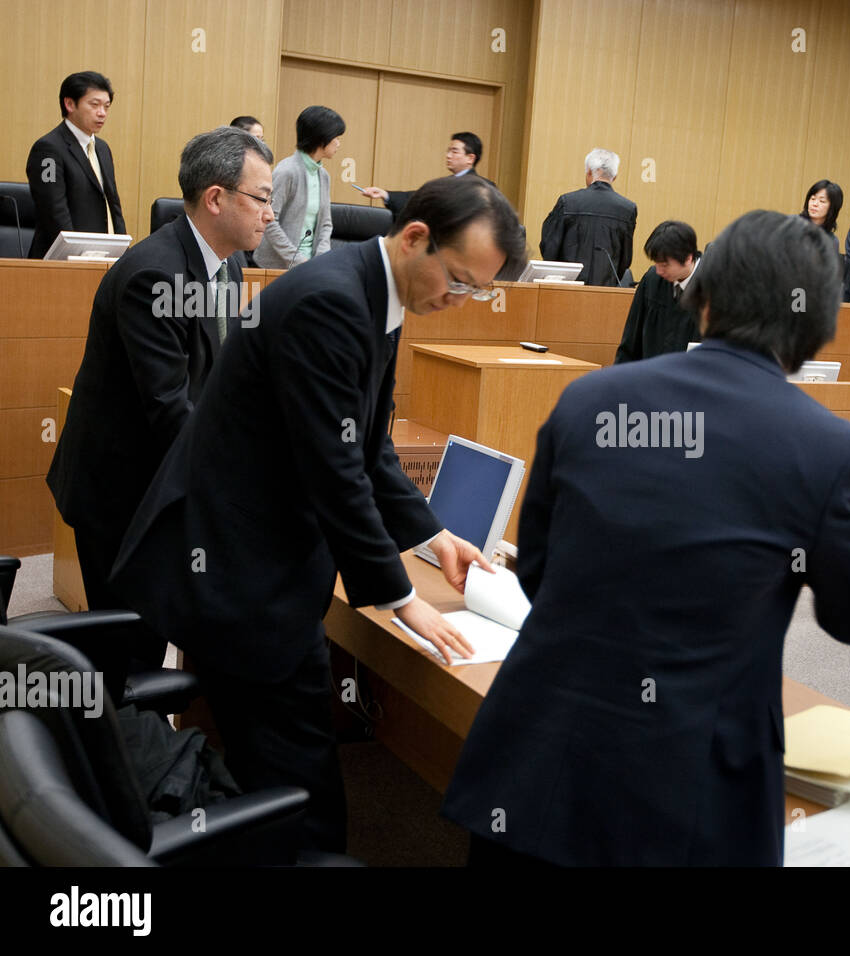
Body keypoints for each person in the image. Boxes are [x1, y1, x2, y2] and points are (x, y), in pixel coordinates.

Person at [442, 210, 850, 866]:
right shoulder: (831, 449)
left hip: (535, 767)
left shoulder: (589, 399)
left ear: (704, 298)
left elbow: (539, 570)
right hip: (686, 799)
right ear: (820, 322)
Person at [110, 176, 526, 853]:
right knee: (299, 785)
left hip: (253, 556)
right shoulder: (331, 303)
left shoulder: (375, 293)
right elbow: (333, 473)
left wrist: (432, 532)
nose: (460, 301)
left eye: (477, 290)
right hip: (240, 576)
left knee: (280, 759)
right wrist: (397, 597)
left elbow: (366, 445)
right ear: (415, 237)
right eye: (458, 280)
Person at [46, 126, 272, 659]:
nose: (270, 213)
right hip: (122, 493)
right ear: (216, 198)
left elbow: (223, 372)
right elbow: (171, 409)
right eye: (262, 198)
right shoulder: (155, 274)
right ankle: (111, 739)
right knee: (125, 654)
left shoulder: (230, 264)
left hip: (163, 481)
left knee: (160, 630)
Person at [26, 71, 127, 259]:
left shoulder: (102, 149)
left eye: (106, 106)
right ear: (70, 104)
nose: (102, 113)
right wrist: (75, 256)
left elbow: (113, 205)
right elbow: (53, 210)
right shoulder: (47, 150)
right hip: (63, 261)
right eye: (94, 105)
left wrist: (123, 255)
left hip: (101, 257)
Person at [254, 105, 344, 269]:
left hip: (310, 267)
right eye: (336, 137)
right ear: (322, 138)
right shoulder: (287, 171)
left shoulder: (323, 175)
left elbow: (326, 224)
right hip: (277, 267)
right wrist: (298, 260)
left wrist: (320, 259)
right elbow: (269, 221)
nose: (339, 143)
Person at [539, 148, 637, 286]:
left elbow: (549, 247)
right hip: (606, 290)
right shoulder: (627, 209)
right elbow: (625, 259)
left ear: (589, 172)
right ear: (614, 177)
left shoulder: (567, 202)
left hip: (566, 288)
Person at [613, 220, 700, 363]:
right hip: (651, 376)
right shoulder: (652, 279)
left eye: (665, 265)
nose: (659, 271)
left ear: (688, 258)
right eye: (656, 263)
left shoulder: (712, 289)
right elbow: (631, 341)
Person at [360, 132, 496, 218]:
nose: (448, 156)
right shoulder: (444, 183)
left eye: (454, 151)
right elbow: (417, 198)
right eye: (448, 151)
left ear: (470, 158)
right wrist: (385, 194)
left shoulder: (484, 187)